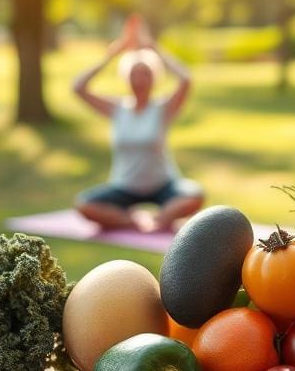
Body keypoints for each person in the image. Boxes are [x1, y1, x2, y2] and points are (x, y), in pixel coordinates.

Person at [72, 14, 204, 232]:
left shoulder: (162, 108)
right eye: (135, 74)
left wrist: (153, 48)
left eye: (145, 74)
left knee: (194, 195)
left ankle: (161, 219)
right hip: (124, 187)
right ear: (127, 78)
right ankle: (133, 221)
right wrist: (113, 53)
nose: (140, 80)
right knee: (85, 204)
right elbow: (78, 87)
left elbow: (186, 79)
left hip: (164, 186)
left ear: (154, 78)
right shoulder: (117, 108)